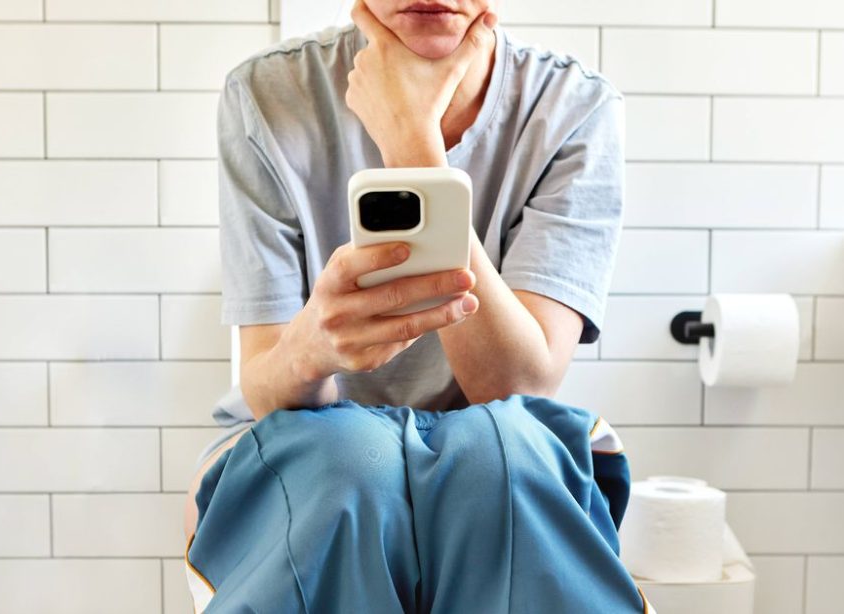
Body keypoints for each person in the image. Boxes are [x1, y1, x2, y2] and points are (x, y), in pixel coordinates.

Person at [183, 0, 653, 611]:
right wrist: (311, 350)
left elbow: (514, 384)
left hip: (499, 431)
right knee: (349, 465)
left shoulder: (574, 108)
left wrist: (412, 142)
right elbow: (268, 391)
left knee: (499, 464)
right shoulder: (267, 94)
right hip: (313, 433)